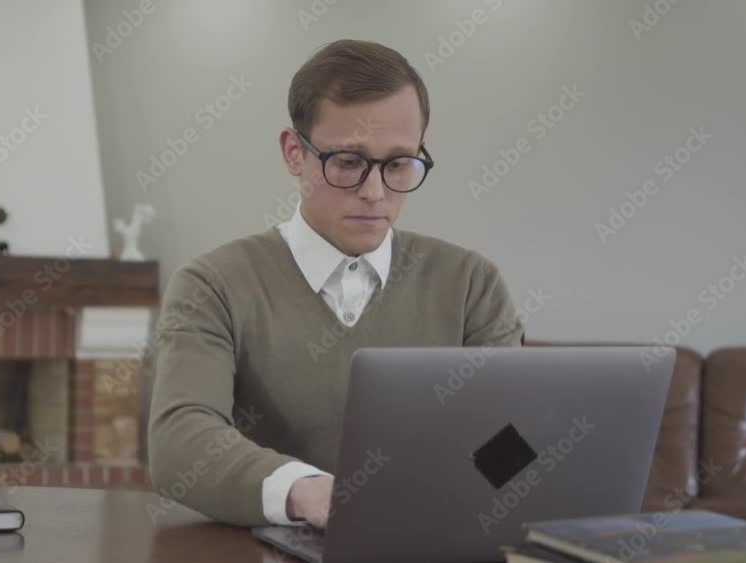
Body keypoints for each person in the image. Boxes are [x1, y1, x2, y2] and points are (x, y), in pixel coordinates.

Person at [147, 39, 524, 530]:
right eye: (348, 162)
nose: (375, 192)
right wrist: (308, 492)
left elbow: (516, 436)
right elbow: (180, 442)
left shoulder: (472, 283)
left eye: (397, 165)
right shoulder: (212, 284)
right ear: (293, 153)